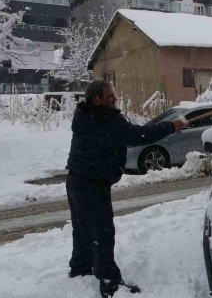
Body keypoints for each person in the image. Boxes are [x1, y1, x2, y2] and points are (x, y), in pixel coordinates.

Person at [65, 81, 186, 297]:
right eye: (110, 95)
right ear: (97, 99)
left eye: (114, 94)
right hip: (92, 183)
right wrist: (171, 126)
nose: (115, 98)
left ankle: (80, 266)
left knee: (82, 226)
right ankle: (109, 282)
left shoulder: (85, 115)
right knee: (102, 232)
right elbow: (139, 135)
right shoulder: (105, 121)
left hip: (76, 180)